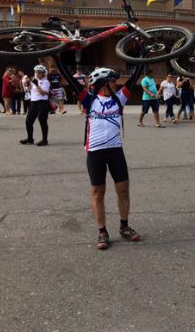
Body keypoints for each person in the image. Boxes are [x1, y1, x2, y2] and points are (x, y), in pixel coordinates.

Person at [58, 63, 144, 250]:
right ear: (104, 83)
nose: (117, 84)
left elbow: (133, 79)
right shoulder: (89, 100)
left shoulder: (119, 99)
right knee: (98, 192)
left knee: (123, 189)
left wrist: (141, 56)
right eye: (113, 81)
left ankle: (124, 226)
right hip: (95, 152)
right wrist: (58, 60)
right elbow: (72, 81)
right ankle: (102, 231)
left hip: (115, 150)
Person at [20, 65, 51, 146]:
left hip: (43, 103)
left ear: (43, 74)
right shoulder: (34, 80)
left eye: (39, 72)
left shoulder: (46, 82)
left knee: (42, 121)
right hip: (34, 103)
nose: (37, 74)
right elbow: (29, 90)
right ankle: (30, 139)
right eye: (36, 72)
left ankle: (45, 140)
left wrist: (37, 85)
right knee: (28, 122)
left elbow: (43, 93)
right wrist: (27, 84)